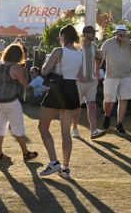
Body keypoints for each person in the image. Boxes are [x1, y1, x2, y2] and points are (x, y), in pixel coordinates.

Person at [38, 24, 85, 178]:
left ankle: (54, 162)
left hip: (58, 88)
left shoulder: (58, 51)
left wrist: (47, 61)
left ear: (64, 36)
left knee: (43, 127)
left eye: (60, 36)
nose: (59, 38)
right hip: (71, 89)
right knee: (66, 131)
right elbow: (79, 74)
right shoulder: (80, 53)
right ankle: (65, 167)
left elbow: (44, 70)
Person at [0, 43, 38, 163]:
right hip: (10, 101)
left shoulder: (1, 66)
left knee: (1, 127)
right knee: (18, 128)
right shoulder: (16, 68)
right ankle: (26, 153)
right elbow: (25, 83)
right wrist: (24, 69)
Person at [99, 24, 131, 135]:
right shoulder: (108, 43)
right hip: (111, 76)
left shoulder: (130, 43)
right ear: (115, 33)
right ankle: (107, 116)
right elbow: (100, 57)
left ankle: (119, 124)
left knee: (123, 100)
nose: (122, 35)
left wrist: (130, 43)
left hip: (126, 76)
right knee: (109, 100)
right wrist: (96, 71)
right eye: (120, 33)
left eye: (124, 33)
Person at [72, 25, 102, 139]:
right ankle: (74, 128)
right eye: (91, 33)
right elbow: (73, 62)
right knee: (77, 106)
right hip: (78, 82)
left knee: (92, 106)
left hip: (91, 82)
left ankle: (94, 131)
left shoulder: (94, 46)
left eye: (94, 33)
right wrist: (79, 75)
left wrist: (97, 71)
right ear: (85, 34)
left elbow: (99, 58)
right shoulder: (77, 46)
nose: (94, 35)